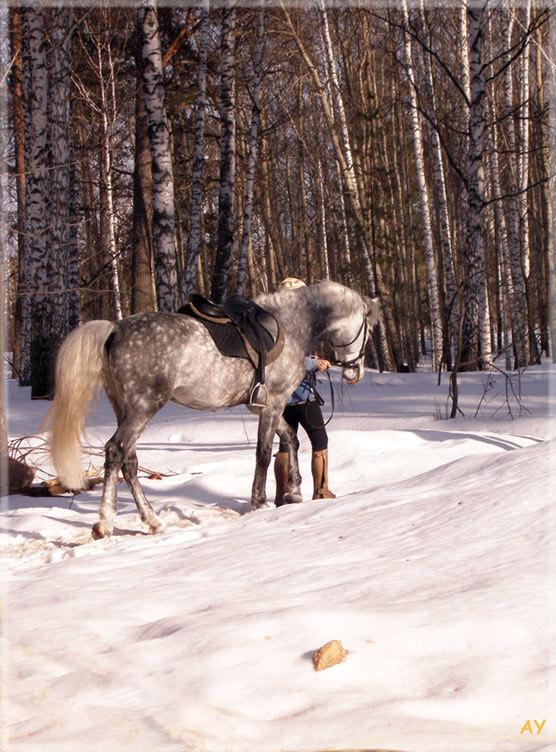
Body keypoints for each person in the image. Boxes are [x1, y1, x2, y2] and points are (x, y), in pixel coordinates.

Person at [274, 278, 336, 504]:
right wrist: (312, 364)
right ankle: (321, 491)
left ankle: (282, 494)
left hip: (279, 397)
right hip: (299, 394)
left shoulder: (274, 323)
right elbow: (284, 359)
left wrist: (311, 360)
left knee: (286, 443)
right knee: (319, 439)